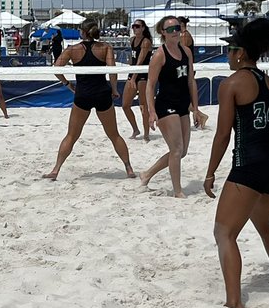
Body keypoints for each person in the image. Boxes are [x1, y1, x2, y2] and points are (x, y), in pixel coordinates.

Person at [204, 19, 269, 308]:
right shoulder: (268, 82)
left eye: (230, 50)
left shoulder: (231, 85)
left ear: (241, 53)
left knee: (224, 233)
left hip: (251, 164)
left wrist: (210, 172)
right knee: (263, 222)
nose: (227, 55)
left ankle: (233, 302)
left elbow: (223, 135)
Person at [43, 20, 135, 180]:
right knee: (114, 135)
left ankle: (56, 170)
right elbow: (113, 71)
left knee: (71, 135)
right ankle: (129, 168)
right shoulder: (106, 47)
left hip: (83, 94)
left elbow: (56, 68)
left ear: (82, 32)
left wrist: (67, 84)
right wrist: (114, 89)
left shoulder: (73, 49)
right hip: (102, 94)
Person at [140, 16, 205, 197]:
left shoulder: (186, 52)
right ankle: (178, 191)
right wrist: (151, 112)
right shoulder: (159, 54)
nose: (175, 31)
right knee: (176, 150)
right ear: (163, 33)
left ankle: (147, 174)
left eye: (177, 28)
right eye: (170, 29)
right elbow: (150, 85)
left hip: (183, 104)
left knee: (182, 152)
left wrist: (196, 109)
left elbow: (191, 81)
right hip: (165, 105)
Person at [121, 19, 154, 141]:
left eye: (137, 26)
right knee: (125, 105)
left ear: (143, 28)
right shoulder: (132, 40)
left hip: (143, 75)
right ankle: (135, 129)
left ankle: (146, 134)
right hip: (133, 73)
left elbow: (140, 62)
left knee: (143, 106)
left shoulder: (146, 42)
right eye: (133, 26)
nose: (135, 28)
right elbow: (133, 60)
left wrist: (133, 78)